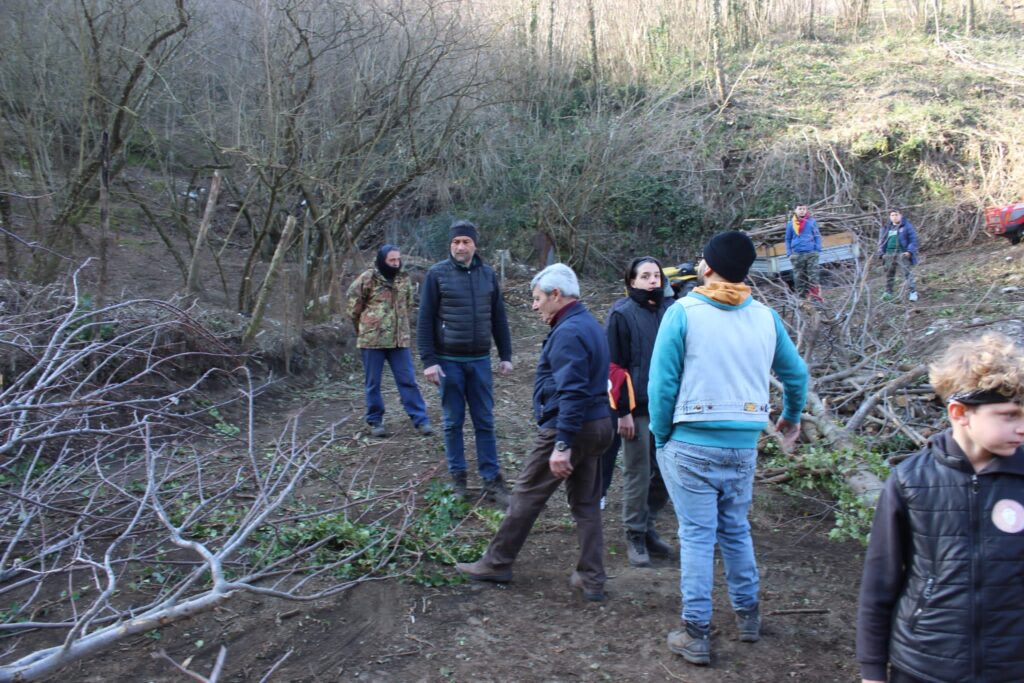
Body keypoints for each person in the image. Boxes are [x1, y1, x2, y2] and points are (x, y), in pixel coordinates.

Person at [648, 230, 808, 666]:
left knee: (697, 536)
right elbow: (796, 375)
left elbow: (661, 384)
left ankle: (696, 632)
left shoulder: (683, 313)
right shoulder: (765, 317)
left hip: (690, 443)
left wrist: (662, 436)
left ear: (709, 266)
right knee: (735, 529)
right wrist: (790, 418)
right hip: (743, 445)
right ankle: (748, 617)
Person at [856, 333, 1024, 683]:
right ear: (960, 412)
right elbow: (879, 581)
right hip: (924, 664)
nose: (1021, 428)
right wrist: (872, 670)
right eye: (1009, 415)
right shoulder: (910, 480)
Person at [455, 264, 614, 601]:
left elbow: (572, 391)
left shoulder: (569, 332)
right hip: (599, 423)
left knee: (526, 495)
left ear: (557, 295)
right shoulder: (588, 323)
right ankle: (592, 577)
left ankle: (497, 563)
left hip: (571, 425)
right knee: (586, 503)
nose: (534, 305)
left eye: (538, 298)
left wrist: (561, 444)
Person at [418, 220, 514, 505]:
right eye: (456, 242)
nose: (461, 247)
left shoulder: (488, 275)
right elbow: (424, 321)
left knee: (484, 420)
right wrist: (429, 361)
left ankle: (491, 479)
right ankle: (458, 479)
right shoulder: (437, 275)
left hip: (480, 361)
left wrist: (506, 355)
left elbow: (498, 318)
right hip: (449, 362)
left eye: (466, 242)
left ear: (475, 244)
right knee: (452, 422)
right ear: (450, 245)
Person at [606, 257, 673, 567]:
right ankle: (634, 533)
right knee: (639, 472)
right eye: (645, 276)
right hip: (636, 409)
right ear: (631, 282)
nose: (652, 281)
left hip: (668, 408)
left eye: (656, 275)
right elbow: (614, 367)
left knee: (666, 473)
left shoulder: (671, 312)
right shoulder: (621, 314)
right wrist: (622, 412)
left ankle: (648, 527)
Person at [346, 244, 432, 438]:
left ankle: (421, 419)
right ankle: (375, 421)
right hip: (372, 341)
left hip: (399, 341)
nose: (396, 263)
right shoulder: (368, 278)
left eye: (397, 260)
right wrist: (366, 326)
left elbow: (408, 304)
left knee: (408, 380)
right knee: (373, 383)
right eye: (391, 260)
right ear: (382, 260)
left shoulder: (403, 278)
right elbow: (353, 307)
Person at [876, 209, 919, 302]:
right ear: (889, 217)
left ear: (900, 215)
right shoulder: (886, 227)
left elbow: (913, 240)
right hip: (888, 254)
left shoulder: (907, 226)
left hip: (902, 253)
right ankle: (888, 292)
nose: (894, 217)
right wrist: (881, 253)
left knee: (907, 273)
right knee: (889, 274)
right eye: (892, 215)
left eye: (896, 214)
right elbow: (881, 241)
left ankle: (913, 292)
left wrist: (909, 251)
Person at [784, 204, 823, 300]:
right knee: (799, 279)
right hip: (797, 255)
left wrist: (817, 250)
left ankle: (815, 298)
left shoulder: (811, 222)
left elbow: (817, 236)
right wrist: (789, 253)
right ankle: (803, 300)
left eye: (804, 209)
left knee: (813, 277)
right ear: (795, 210)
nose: (802, 211)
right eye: (800, 209)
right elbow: (788, 239)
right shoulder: (791, 224)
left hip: (811, 253)